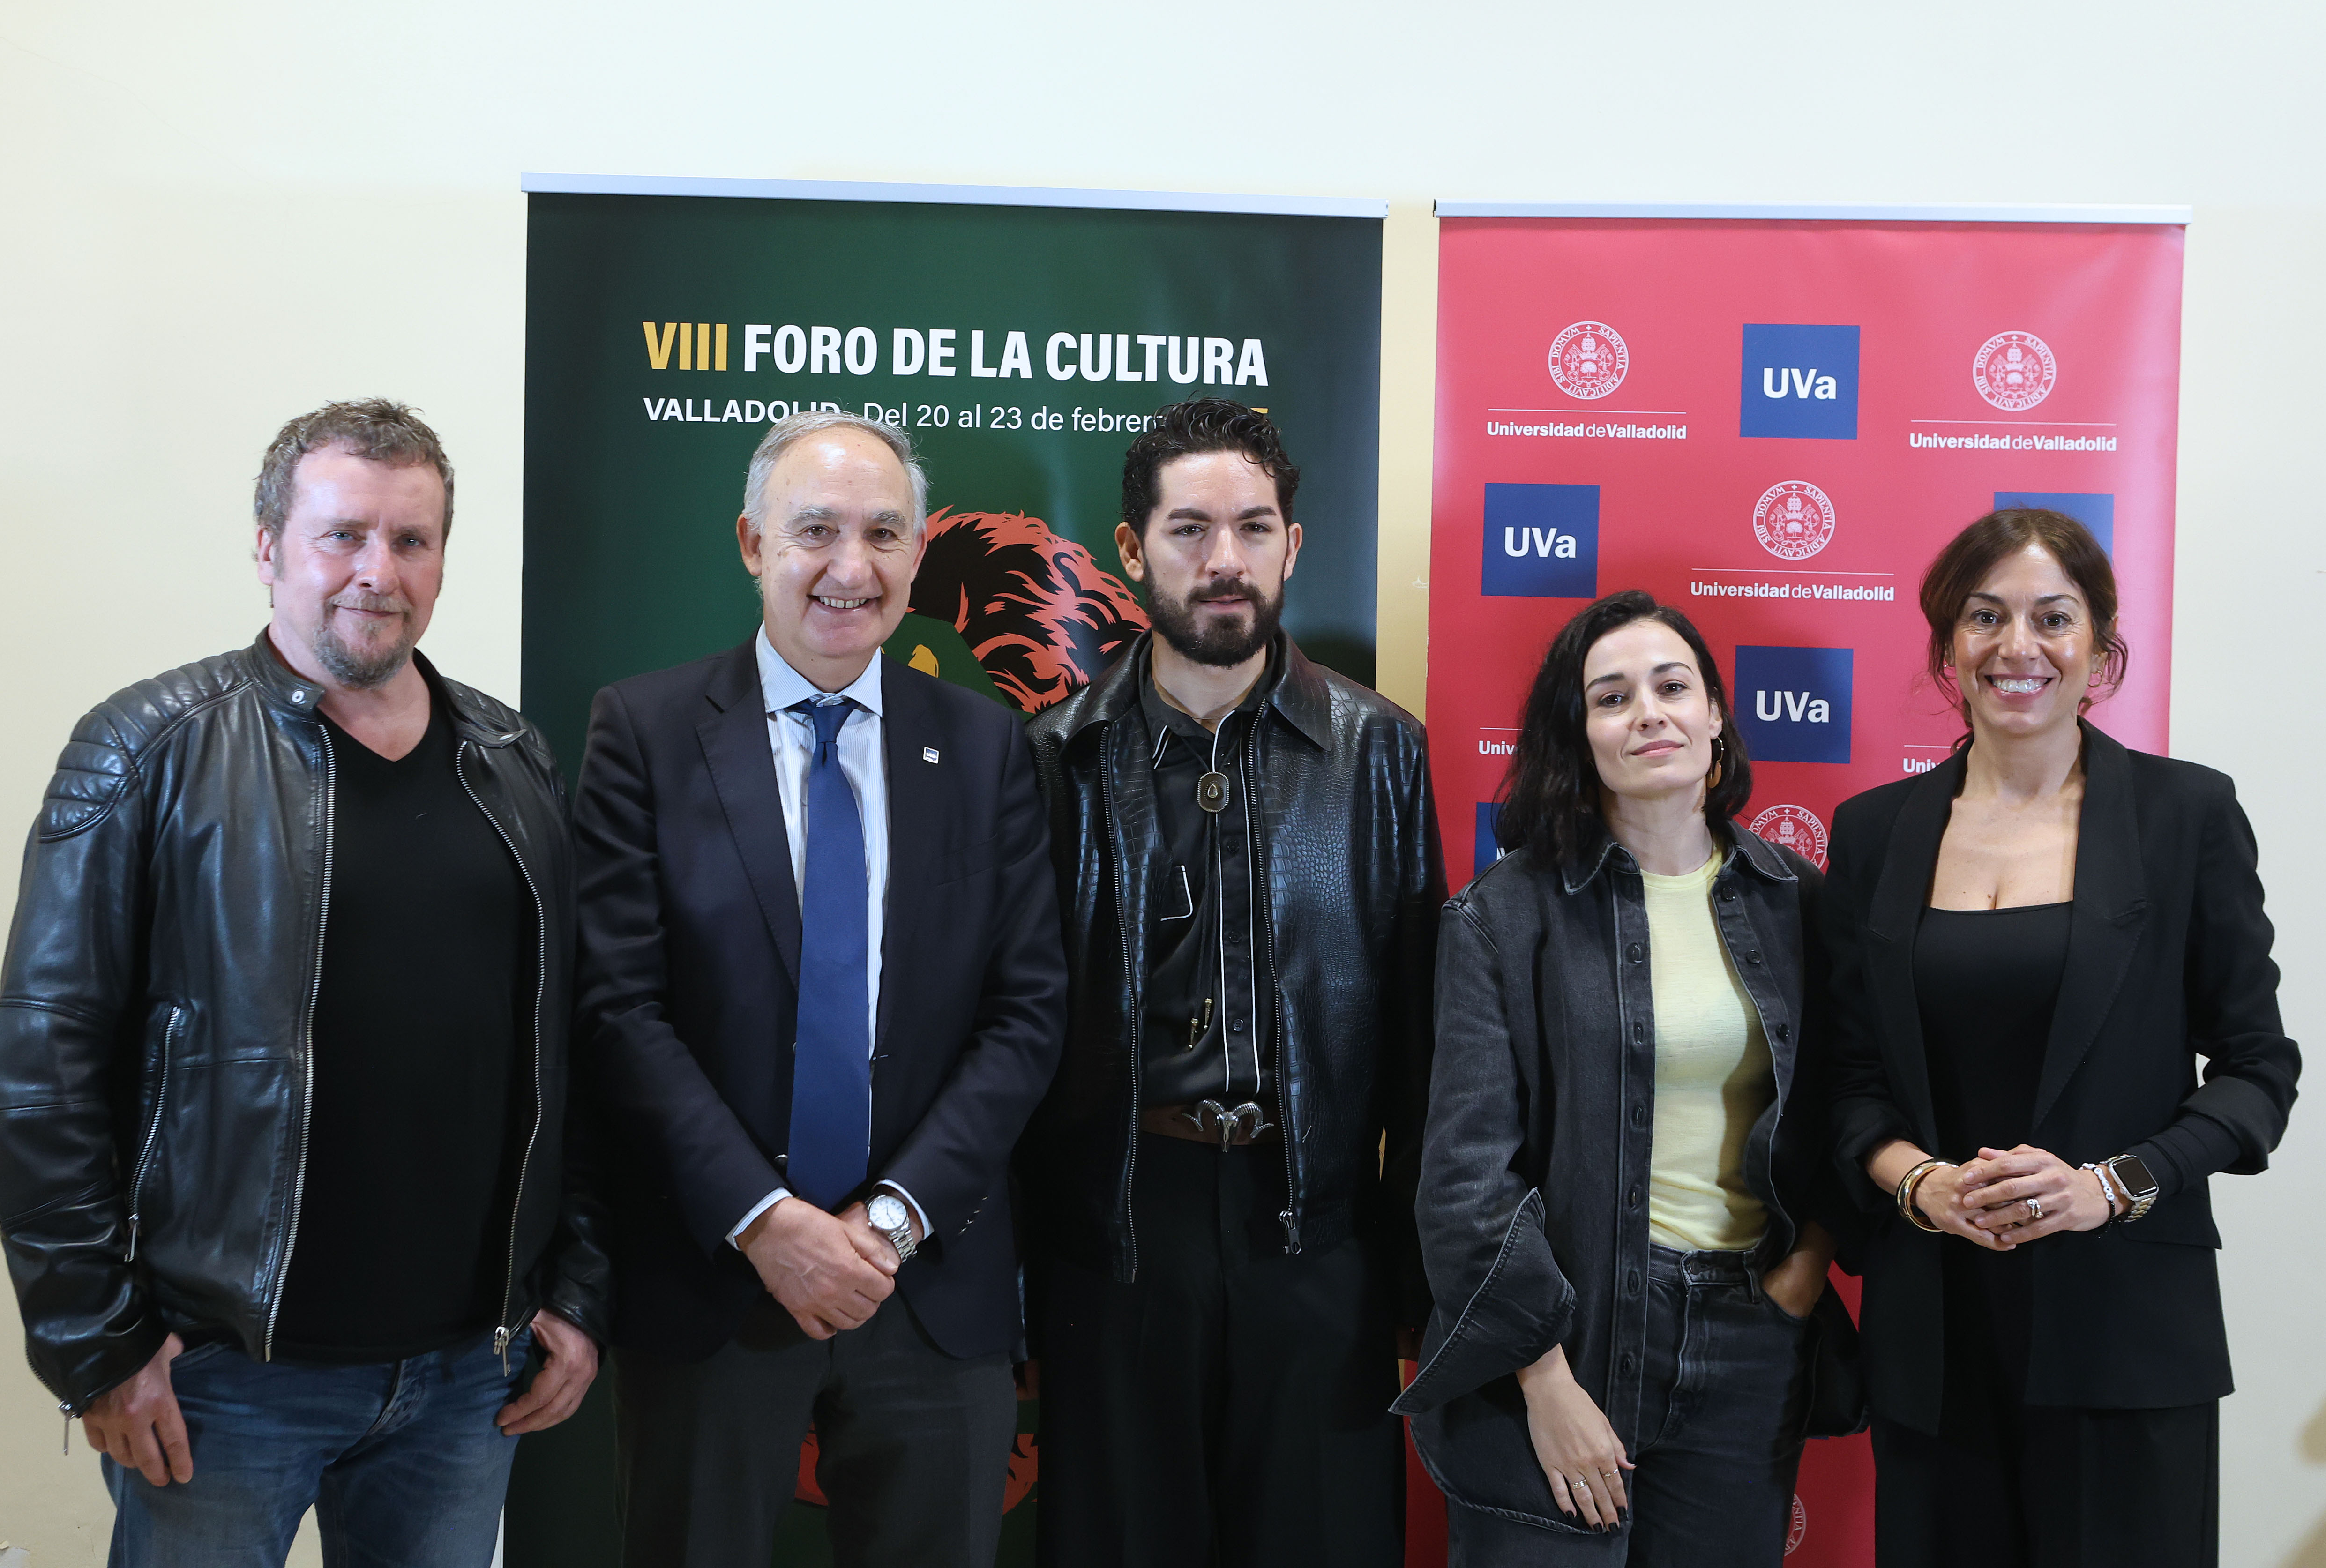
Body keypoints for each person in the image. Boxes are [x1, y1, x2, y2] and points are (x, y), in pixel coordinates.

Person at [0, 399, 608, 1567]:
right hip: (224, 1376)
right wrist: (96, 1343)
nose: (378, 571)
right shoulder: (147, 747)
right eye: (343, 534)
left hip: (468, 1378)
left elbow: (563, 1048)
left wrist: (577, 1285)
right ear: (269, 546)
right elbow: (40, 1063)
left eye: (411, 541)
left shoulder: (513, 760)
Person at [574, 409, 1068, 1567]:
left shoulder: (993, 748)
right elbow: (618, 1008)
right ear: (752, 543)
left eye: (884, 532)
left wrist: (888, 1222)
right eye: (816, 531)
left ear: (917, 555)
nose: (851, 567)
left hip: (931, 1289)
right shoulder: (641, 732)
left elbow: (1028, 1012)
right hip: (714, 1283)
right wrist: (766, 1220)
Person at [1820, 508, 2300, 1568]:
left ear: (2100, 645)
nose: (2017, 646)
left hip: (2125, 1323)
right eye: (1985, 617)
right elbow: (1845, 1080)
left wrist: (2113, 1183)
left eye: (2052, 617)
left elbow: (2259, 1070)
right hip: (1937, 1337)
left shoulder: (2188, 816)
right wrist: (1917, 1185)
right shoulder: (1874, 833)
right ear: (1949, 644)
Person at [1021, 399, 1444, 1568]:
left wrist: (1411, 1267)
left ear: (1293, 547)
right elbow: (1013, 1033)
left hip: (1313, 1223)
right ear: (1129, 549)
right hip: (1116, 1227)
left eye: (1254, 528)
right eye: (1190, 529)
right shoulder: (1054, 757)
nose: (1224, 561)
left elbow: (1421, 1034)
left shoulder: (1380, 751)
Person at [1395, 590, 1860, 1565]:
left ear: (1716, 718)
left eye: (1672, 685)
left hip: (1750, 1334)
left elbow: (1843, 1111)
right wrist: (1544, 1378)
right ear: (1582, 738)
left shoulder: (1797, 902)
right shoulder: (1501, 917)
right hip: (1567, 1331)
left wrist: (1803, 1271)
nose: (1648, 710)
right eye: (1611, 696)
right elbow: (1465, 1176)